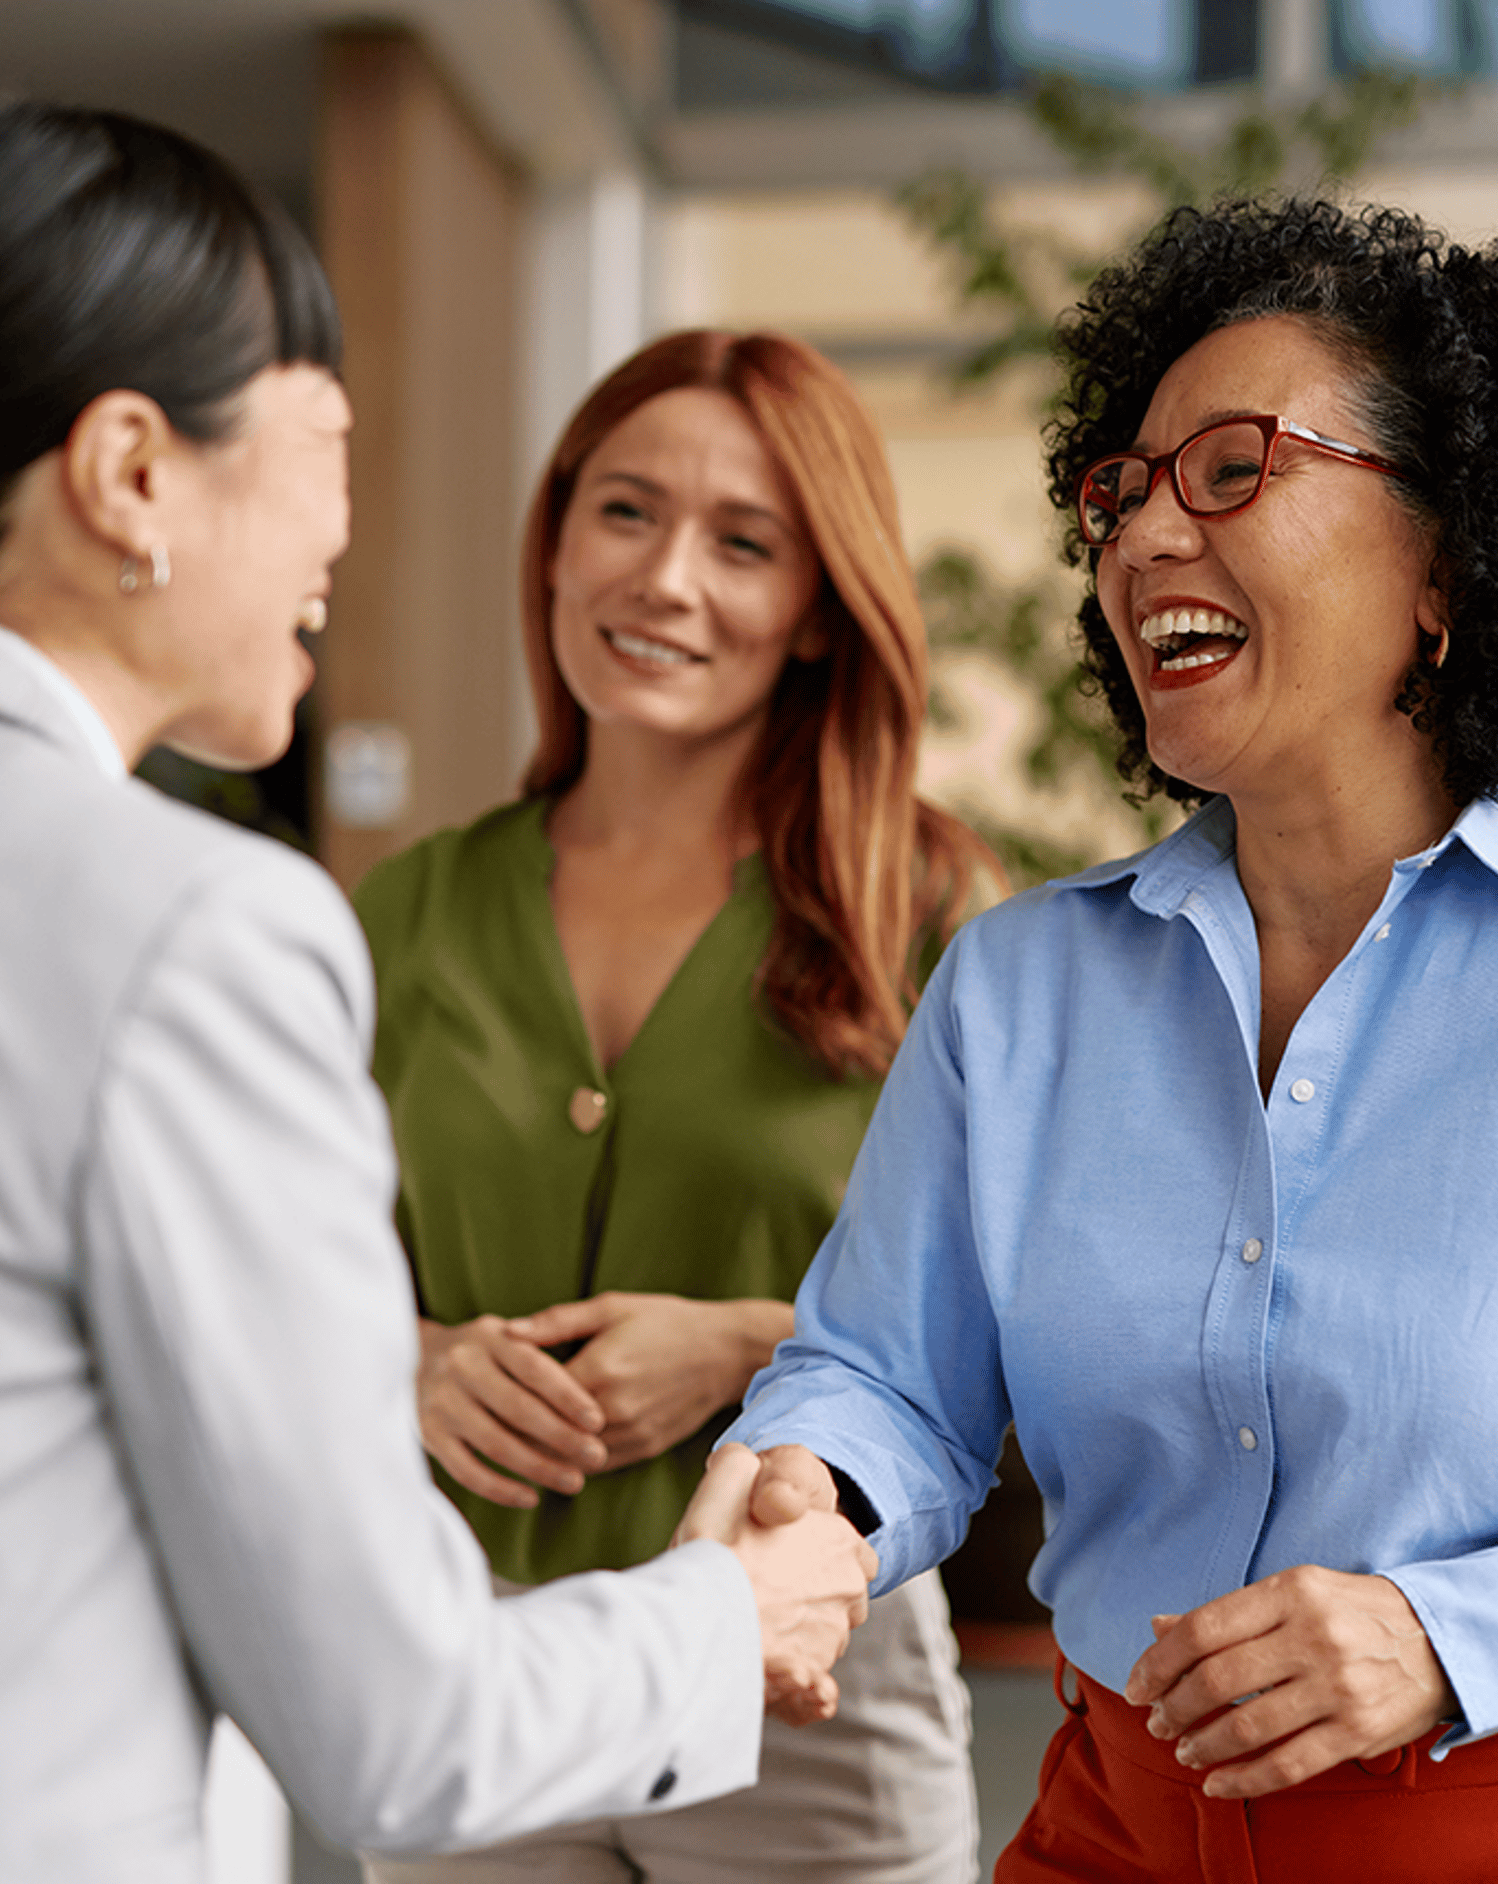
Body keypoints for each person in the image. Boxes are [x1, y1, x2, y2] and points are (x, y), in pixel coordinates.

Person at [720, 194, 1498, 1882]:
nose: (1146, 537)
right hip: (1115, 1824)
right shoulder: (1017, 991)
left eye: (1232, 469)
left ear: (1448, 562)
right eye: (1123, 492)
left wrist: (1450, 1632)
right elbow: (888, 1379)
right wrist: (817, 1494)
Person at [0, 102, 875, 1882]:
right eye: (328, 438)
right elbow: (405, 1728)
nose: (345, 521)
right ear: (129, 473)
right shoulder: (195, 928)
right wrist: (741, 1609)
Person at [352, 329, 988, 1883]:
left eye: (744, 543)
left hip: (809, 1671)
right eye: (626, 511)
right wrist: (419, 1363)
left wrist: (743, 1345)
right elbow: (278, 1275)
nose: (666, 580)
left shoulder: (934, 911)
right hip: (474, 1661)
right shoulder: (410, 909)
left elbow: (1034, 1316)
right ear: (557, 538)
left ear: (822, 612)